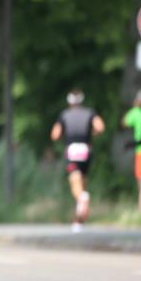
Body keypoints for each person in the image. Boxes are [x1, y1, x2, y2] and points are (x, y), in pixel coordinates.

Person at [50, 88, 105, 232]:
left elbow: (55, 135)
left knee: (75, 182)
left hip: (72, 149)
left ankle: (82, 198)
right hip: (86, 149)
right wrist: (93, 133)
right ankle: (79, 219)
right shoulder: (90, 113)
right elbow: (100, 127)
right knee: (83, 181)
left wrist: (63, 135)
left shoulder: (64, 115)